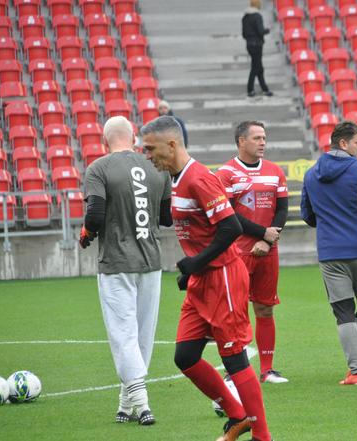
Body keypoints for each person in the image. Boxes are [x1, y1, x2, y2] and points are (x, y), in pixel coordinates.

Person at [141, 116, 272, 441]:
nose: (147, 155)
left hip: (224, 278)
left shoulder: (199, 177)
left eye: (150, 148)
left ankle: (262, 436)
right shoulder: (175, 178)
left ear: (171, 145)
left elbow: (231, 227)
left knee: (234, 357)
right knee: (185, 357)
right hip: (203, 278)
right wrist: (194, 270)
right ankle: (238, 415)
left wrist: (196, 262)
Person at [80, 116, 172, 425]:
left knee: (123, 335)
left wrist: (86, 234)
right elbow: (167, 217)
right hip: (151, 262)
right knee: (142, 335)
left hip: (117, 263)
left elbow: (94, 215)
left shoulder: (99, 168)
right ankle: (126, 402)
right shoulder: (157, 167)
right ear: (133, 137)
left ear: (105, 141)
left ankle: (143, 404)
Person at [301, 121, 357, 385]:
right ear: (343, 143)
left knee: (343, 310)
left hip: (330, 252)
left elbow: (307, 215)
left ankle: (356, 370)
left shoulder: (311, 174)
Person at [216, 121, 289, 384]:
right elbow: (228, 214)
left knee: (265, 308)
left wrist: (268, 241)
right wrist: (261, 234)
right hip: (237, 252)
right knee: (235, 313)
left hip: (268, 250)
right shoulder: (225, 173)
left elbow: (282, 209)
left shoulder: (274, 171)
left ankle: (267, 369)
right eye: (257, 138)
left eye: (264, 138)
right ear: (241, 141)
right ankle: (234, 370)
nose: (262, 143)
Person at [242, 0, 273, 98]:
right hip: (257, 45)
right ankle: (250, 89)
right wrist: (267, 30)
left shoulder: (245, 17)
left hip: (249, 45)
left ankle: (265, 88)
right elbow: (261, 31)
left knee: (259, 67)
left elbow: (244, 34)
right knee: (256, 68)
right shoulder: (257, 16)